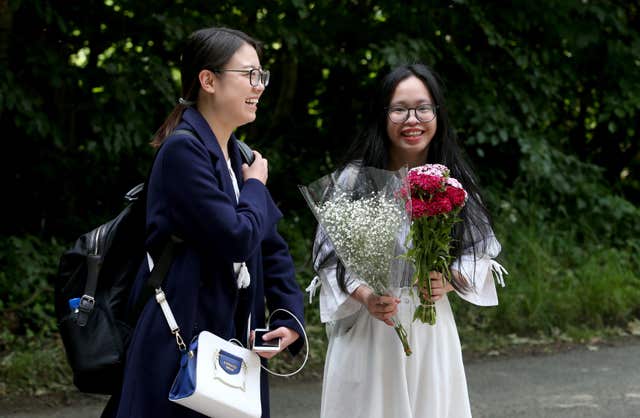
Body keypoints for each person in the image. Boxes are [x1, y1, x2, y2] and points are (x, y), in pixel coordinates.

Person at [102, 27, 305, 418]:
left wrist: (287, 313)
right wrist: (256, 187)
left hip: (230, 342)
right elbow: (236, 237)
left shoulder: (238, 156)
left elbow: (270, 244)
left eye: (262, 76)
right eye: (249, 74)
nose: (259, 86)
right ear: (207, 80)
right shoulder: (183, 151)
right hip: (181, 339)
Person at [308, 64, 506, 418]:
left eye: (423, 108)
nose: (412, 119)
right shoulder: (354, 180)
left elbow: (480, 251)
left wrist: (449, 279)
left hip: (431, 332)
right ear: (382, 115)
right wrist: (367, 295)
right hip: (371, 330)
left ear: (437, 114)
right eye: (399, 109)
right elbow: (328, 257)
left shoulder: (452, 179)